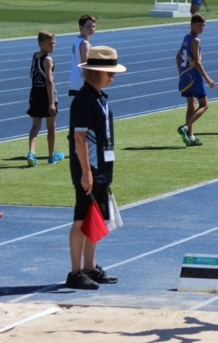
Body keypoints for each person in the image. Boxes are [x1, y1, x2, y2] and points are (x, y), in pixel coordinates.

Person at [66, 46, 126, 290]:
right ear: (95, 72)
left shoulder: (99, 97)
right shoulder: (83, 100)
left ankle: (90, 266)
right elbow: (79, 139)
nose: (113, 77)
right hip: (88, 168)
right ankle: (76, 272)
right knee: (81, 218)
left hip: (101, 167)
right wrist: (86, 172)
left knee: (95, 217)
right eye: (109, 73)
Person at [176, 13, 215, 147]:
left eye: (203, 25)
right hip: (194, 77)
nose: (202, 28)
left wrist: (181, 72)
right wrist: (208, 79)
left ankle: (191, 137)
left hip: (185, 76)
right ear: (192, 24)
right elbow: (197, 62)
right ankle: (186, 127)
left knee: (191, 105)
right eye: (199, 25)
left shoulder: (187, 38)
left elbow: (178, 56)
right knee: (204, 105)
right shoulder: (196, 41)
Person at [26, 31, 64, 168]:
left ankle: (31, 153)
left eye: (54, 42)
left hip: (34, 92)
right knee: (51, 126)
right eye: (49, 43)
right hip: (46, 94)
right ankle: (51, 156)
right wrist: (52, 102)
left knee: (35, 126)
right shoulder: (48, 60)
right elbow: (49, 80)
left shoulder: (35, 56)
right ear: (41, 44)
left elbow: (31, 74)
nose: (53, 45)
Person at [69, 15, 96, 96]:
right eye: (88, 26)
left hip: (75, 80)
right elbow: (86, 64)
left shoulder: (77, 40)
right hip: (83, 82)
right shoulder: (85, 43)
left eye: (93, 26)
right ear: (81, 28)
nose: (92, 29)